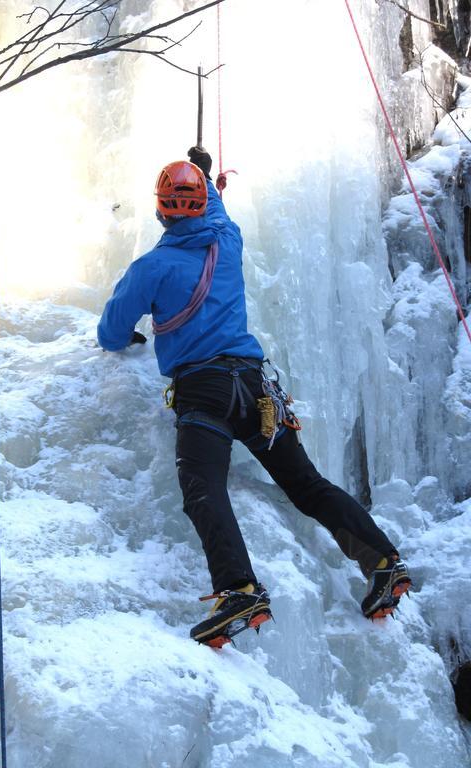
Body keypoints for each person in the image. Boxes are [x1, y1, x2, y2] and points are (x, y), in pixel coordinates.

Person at [97, 147, 411, 648]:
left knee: (204, 486)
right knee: (306, 484)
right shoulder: (226, 239)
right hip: (257, 389)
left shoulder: (150, 268)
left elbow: (111, 331)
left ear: (160, 210)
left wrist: (133, 337)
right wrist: (199, 167)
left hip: (205, 393)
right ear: (203, 203)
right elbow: (215, 211)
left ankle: (239, 591)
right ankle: (382, 561)